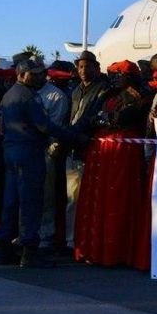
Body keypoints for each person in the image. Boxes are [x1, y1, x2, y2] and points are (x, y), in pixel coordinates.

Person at [0, 59, 80, 268]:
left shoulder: (9, 95)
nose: (41, 77)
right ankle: (29, 251)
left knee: (11, 201)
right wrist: (73, 137)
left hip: (11, 151)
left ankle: (5, 248)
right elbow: (44, 126)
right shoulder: (29, 97)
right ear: (23, 74)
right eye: (36, 74)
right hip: (29, 152)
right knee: (31, 202)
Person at [74, 60, 149, 269]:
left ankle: (117, 251)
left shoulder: (139, 95)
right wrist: (104, 119)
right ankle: (94, 249)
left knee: (119, 199)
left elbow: (124, 118)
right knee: (98, 198)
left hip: (123, 153)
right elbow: (93, 118)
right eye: (113, 74)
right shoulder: (107, 94)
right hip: (103, 152)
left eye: (119, 74)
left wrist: (105, 119)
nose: (115, 78)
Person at [64, 51, 109, 252]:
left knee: (88, 198)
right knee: (72, 198)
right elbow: (71, 117)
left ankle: (85, 239)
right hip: (73, 148)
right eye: (80, 67)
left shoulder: (103, 90)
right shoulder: (75, 91)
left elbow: (91, 118)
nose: (83, 70)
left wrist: (76, 133)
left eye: (87, 66)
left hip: (90, 148)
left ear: (96, 68)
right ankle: (71, 240)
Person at [35, 62, 69, 254]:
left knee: (47, 196)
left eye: (37, 73)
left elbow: (54, 127)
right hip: (30, 150)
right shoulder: (28, 93)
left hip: (47, 149)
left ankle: (46, 236)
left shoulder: (56, 96)